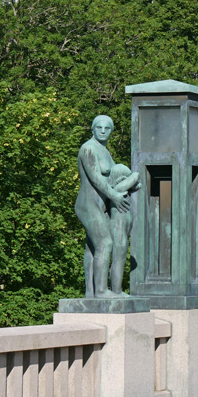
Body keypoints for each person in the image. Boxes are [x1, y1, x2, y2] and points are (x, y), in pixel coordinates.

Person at [75, 115, 131, 299]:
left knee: (92, 247)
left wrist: (131, 180)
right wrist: (114, 195)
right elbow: (96, 178)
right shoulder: (88, 149)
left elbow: (116, 174)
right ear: (92, 129)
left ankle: (90, 293)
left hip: (102, 205)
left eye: (107, 128)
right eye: (99, 127)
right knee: (105, 243)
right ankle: (101, 290)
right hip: (88, 204)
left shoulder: (105, 151)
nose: (103, 131)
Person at [107, 163, 141, 294]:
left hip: (124, 228)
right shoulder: (118, 189)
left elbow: (138, 185)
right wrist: (133, 175)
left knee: (120, 259)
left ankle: (117, 289)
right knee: (118, 259)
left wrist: (130, 180)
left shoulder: (124, 190)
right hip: (118, 228)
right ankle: (116, 291)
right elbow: (136, 178)